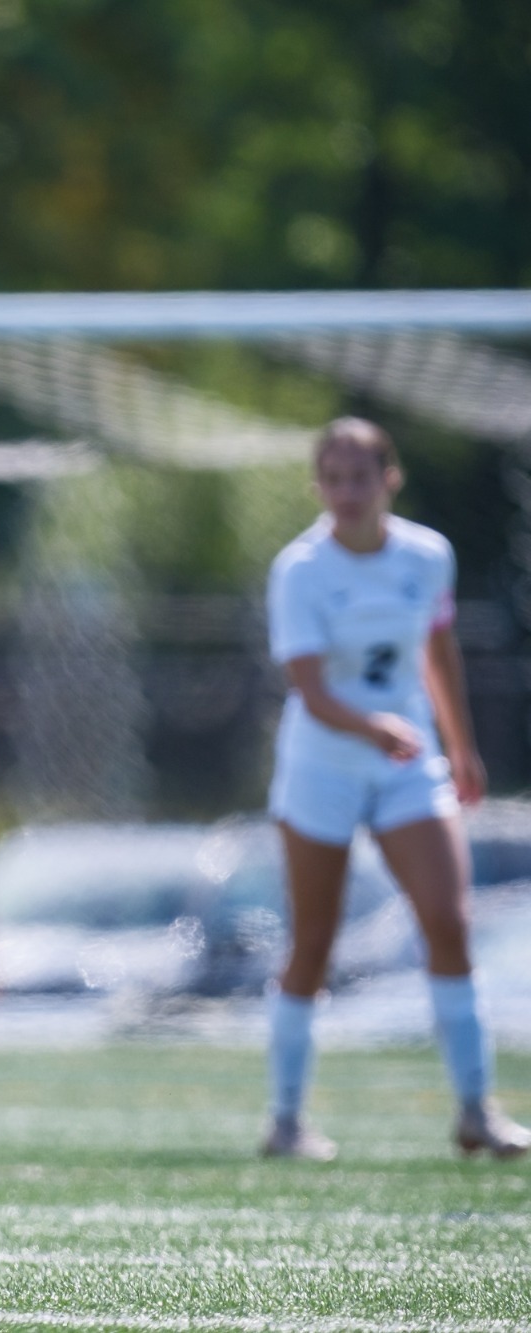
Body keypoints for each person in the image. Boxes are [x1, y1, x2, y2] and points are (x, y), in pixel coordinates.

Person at [263, 416, 528, 1161]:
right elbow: (310, 690)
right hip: (325, 762)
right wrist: (374, 727)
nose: (348, 491)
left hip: (407, 759)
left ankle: (476, 1109)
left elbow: (437, 647)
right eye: (334, 478)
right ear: (319, 486)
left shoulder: (425, 554)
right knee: (313, 943)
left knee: (448, 920)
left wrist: (462, 745)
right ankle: (286, 1118)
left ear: (391, 478)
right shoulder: (300, 569)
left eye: (362, 475)